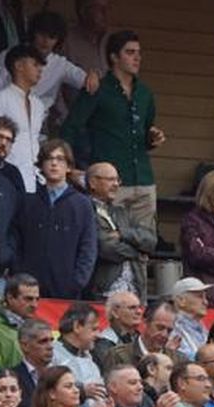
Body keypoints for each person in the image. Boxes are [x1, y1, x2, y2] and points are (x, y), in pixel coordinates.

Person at [61, 29, 164, 239]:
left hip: (143, 179)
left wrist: (153, 138)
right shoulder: (98, 88)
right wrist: (68, 168)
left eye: (139, 53)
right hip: (108, 180)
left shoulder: (145, 93)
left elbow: (145, 132)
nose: (137, 57)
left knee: (144, 241)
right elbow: (71, 127)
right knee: (108, 239)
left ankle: (138, 274)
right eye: (130, 52)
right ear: (114, 57)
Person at [14, 141, 97, 301]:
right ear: (41, 165)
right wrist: (20, 275)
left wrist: (77, 282)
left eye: (60, 159)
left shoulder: (82, 203)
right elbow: (17, 240)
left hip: (67, 293)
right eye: (49, 159)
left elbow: (88, 247)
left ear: (69, 167)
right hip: (29, 292)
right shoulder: (29, 201)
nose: (54, 163)